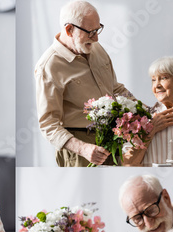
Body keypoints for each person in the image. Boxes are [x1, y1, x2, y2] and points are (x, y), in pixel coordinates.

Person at [34, 0, 135, 167]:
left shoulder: (96, 48)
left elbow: (115, 89)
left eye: (97, 30)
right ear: (69, 29)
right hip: (79, 152)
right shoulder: (49, 66)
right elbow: (48, 125)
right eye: (90, 32)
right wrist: (83, 149)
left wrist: (146, 112)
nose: (96, 38)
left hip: (112, 142)